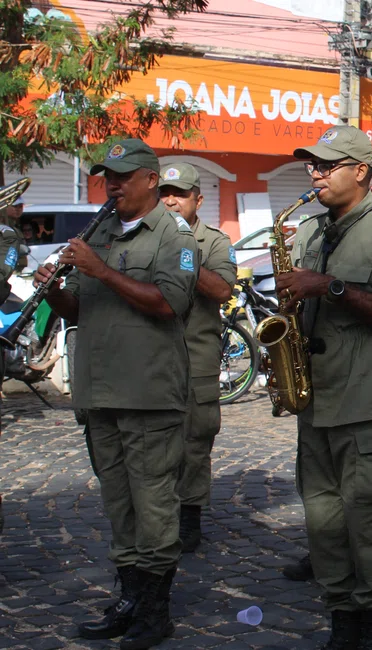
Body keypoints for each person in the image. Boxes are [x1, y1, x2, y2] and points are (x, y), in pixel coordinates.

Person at [35, 139, 197, 649]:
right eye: (108, 177)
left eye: (125, 176)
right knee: (119, 506)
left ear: (151, 179)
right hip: (100, 391)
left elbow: (170, 304)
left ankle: (155, 610)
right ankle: (129, 599)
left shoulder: (175, 238)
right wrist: (55, 289)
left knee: (153, 508)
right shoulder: (102, 229)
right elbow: (79, 309)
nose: (114, 185)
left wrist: (100, 270)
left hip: (147, 394)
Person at [274, 125, 372, 650]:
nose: (315, 174)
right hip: (316, 399)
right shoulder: (313, 230)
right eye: (311, 165)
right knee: (323, 522)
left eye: (326, 165)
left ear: (361, 171)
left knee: (367, 523)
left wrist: (329, 288)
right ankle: (341, 618)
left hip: (366, 402)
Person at [159, 162, 236, 554]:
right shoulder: (146, 236)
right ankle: (156, 513)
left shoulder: (215, 241)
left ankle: (190, 514)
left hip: (196, 356)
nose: (170, 200)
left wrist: (183, 249)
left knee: (195, 440)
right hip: (152, 357)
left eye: (180, 193)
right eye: (164, 193)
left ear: (198, 200)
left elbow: (222, 289)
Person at [1, 195, 26, 303]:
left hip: (15, 272)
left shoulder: (13, 229)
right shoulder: (7, 232)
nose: (18, 209)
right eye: (15, 206)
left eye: (20, 206)